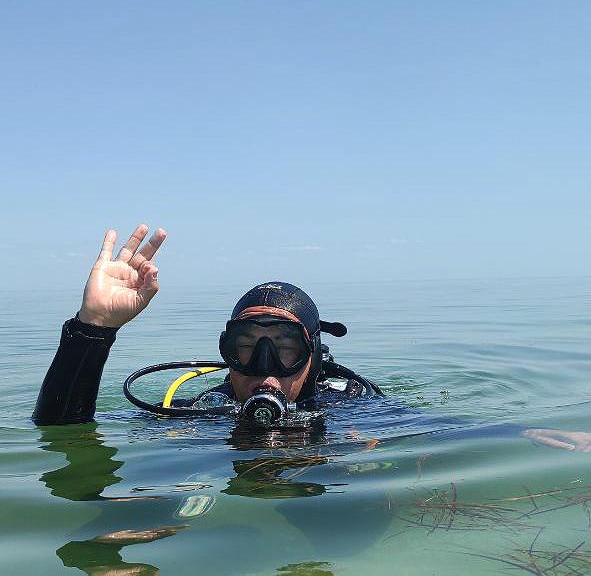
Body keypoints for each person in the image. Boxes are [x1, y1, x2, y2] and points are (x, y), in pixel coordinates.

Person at [32, 225, 591, 452]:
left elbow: (440, 428)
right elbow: (64, 436)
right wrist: (94, 328)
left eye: (287, 349)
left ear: (315, 359)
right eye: (249, 348)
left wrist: (526, 432)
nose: (266, 370)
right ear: (226, 356)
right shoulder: (206, 409)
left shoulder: (348, 401)